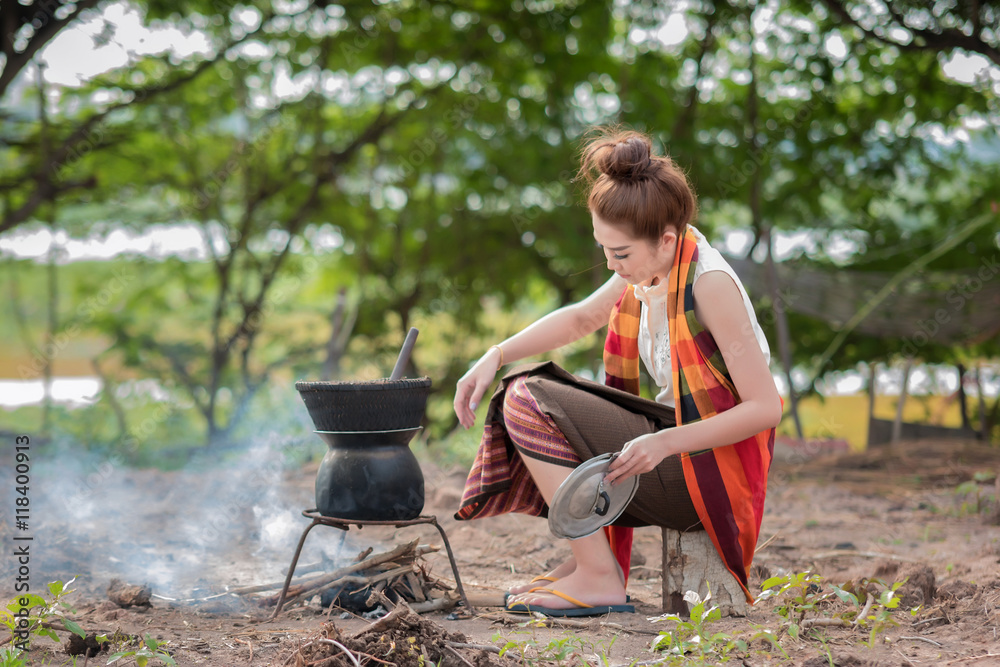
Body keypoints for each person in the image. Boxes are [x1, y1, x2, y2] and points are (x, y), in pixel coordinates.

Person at [452, 127, 782, 617]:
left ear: (667, 239)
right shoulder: (654, 268)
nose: (611, 264)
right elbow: (582, 318)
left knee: (526, 397)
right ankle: (590, 561)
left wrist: (664, 443)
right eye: (603, 249)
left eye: (620, 253)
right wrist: (496, 354)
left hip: (712, 473)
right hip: (674, 445)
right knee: (521, 391)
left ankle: (599, 575)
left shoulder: (708, 284)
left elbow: (766, 407)